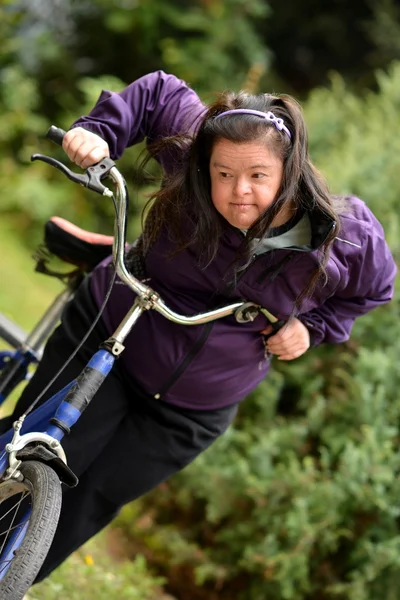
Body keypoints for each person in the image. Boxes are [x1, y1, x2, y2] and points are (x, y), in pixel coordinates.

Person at [5, 70, 397, 581]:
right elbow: (159, 92)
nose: (239, 192)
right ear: (205, 164)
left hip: (193, 409)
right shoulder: (193, 154)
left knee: (90, 500)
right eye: (223, 173)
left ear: (289, 171)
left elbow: (375, 289)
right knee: (38, 453)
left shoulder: (339, 237)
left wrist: (315, 327)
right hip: (115, 333)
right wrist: (101, 131)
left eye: (258, 175)